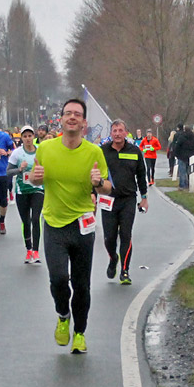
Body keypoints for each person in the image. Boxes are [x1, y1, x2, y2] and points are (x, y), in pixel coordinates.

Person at [30, 97, 112, 354]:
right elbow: (34, 179)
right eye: (68, 113)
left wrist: (98, 183)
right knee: (58, 279)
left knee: (81, 284)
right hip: (54, 223)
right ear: (61, 119)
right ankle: (63, 315)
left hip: (82, 226)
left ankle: (80, 333)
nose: (72, 117)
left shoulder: (94, 152)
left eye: (77, 114)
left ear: (84, 122)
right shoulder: (45, 149)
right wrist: (33, 178)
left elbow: (108, 188)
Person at [99, 120, 148, 285]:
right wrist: (92, 194)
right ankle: (113, 258)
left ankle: (125, 271)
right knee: (109, 237)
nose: (117, 134)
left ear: (126, 132)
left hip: (128, 199)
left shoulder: (134, 151)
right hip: (108, 199)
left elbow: (141, 174)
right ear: (111, 133)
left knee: (126, 234)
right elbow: (94, 174)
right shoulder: (102, 151)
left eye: (120, 130)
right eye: (114, 131)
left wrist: (144, 197)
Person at [6, 125, 42, 264]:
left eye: (30, 136)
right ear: (21, 138)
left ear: (34, 137)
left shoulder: (40, 151)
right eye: (25, 136)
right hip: (22, 190)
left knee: (35, 218)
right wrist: (19, 169)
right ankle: (28, 250)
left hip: (38, 188)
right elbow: (8, 171)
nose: (28, 139)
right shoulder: (17, 153)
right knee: (26, 221)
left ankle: (36, 251)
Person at [171, 124, 194, 190]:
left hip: (182, 156)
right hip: (191, 156)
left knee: (182, 172)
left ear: (184, 129)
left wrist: (176, 154)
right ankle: (191, 184)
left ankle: (182, 185)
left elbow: (177, 146)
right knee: (191, 171)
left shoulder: (182, 137)